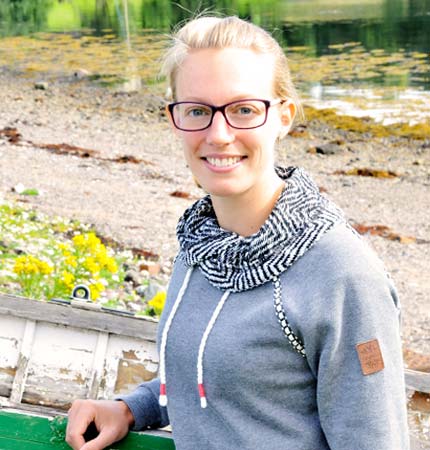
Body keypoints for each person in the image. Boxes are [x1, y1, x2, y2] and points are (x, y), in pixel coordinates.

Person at [66, 15, 410, 450]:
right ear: (174, 118)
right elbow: (220, 378)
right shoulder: (202, 244)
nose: (219, 134)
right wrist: (132, 407)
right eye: (197, 111)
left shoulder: (342, 275)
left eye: (244, 109)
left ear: (283, 116)